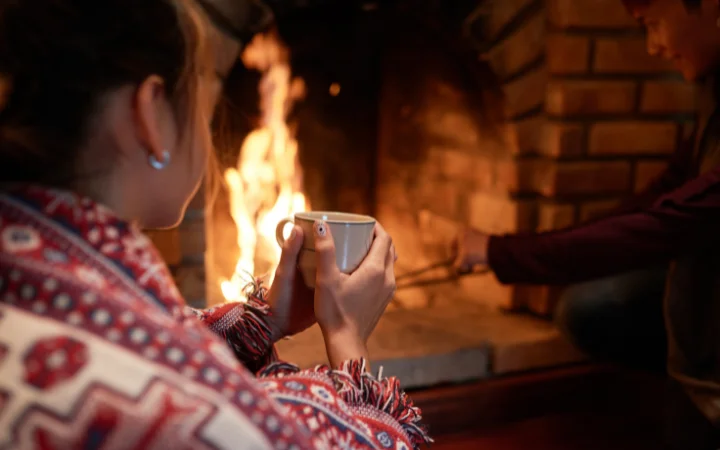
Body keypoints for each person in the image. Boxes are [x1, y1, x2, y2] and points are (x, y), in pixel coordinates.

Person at [0, 1, 430, 449]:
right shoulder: (181, 407)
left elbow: (161, 333)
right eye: (202, 108)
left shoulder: (39, 279)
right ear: (149, 113)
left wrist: (267, 319)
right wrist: (347, 339)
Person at [454, 0, 720, 441]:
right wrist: (512, 247)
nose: (652, 47)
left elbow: (663, 227)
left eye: (654, 26)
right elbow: (661, 197)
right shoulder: (713, 83)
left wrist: (503, 253)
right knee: (588, 308)